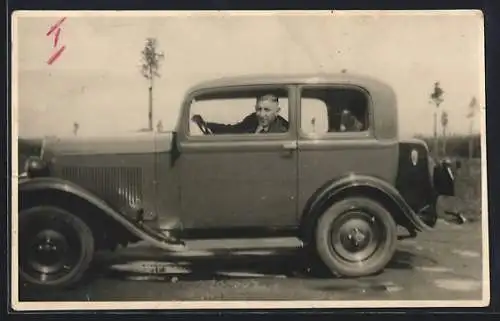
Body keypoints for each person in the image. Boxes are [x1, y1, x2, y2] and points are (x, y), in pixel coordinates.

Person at [191, 94, 289, 134]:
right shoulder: (252, 119)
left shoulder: (284, 129)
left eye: (267, 110)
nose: (262, 114)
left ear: (277, 111)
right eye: (259, 109)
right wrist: (205, 125)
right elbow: (232, 130)